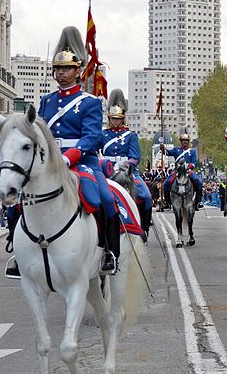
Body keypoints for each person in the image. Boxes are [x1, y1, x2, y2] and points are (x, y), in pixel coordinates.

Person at [19, 26, 120, 276]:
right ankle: (19, 254)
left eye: (66, 68)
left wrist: (68, 157)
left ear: (78, 71)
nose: (61, 73)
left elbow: (92, 138)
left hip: (82, 162)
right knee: (20, 200)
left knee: (105, 200)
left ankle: (110, 253)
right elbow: (39, 133)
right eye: (58, 68)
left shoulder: (90, 102)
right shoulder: (47, 101)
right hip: (50, 164)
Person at [101, 89, 153, 235]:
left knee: (146, 196)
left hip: (127, 171)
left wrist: (125, 166)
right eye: (113, 118)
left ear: (123, 118)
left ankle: (144, 228)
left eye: (118, 118)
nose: (115, 121)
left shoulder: (130, 135)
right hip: (107, 170)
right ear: (109, 118)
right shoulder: (102, 134)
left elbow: (135, 156)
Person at [161, 132, 204, 209]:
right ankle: (167, 202)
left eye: (186, 140)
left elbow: (195, 162)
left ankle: (198, 202)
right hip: (178, 171)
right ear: (181, 141)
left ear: (188, 141)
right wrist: (163, 148)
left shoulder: (192, 151)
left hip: (188, 171)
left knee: (199, 182)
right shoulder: (176, 150)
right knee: (166, 183)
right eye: (183, 140)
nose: (185, 141)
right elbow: (167, 153)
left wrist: (191, 165)